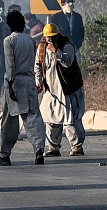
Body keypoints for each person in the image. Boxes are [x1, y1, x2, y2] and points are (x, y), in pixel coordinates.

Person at [0, 10, 46, 166]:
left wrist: (10, 86)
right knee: (33, 118)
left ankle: (5, 154)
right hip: (29, 82)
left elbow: (10, 65)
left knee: (9, 121)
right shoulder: (29, 40)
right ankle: (39, 150)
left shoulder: (9, 41)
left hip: (15, 83)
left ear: (9, 25)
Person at [36, 23, 86, 157]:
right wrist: (38, 81)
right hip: (51, 90)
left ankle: (77, 146)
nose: (50, 40)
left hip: (67, 88)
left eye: (52, 37)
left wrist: (56, 51)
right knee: (50, 118)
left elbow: (68, 62)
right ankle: (53, 148)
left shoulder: (67, 46)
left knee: (71, 120)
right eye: (48, 37)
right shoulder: (41, 48)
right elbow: (37, 66)